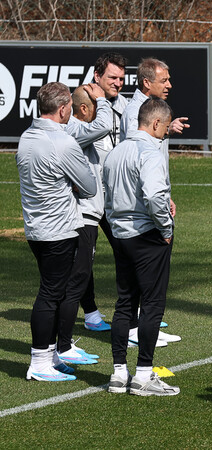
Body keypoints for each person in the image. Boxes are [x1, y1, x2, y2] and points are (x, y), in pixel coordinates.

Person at [16, 82, 97, 382]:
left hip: (36, 228)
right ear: (63, 109)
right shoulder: (62, 143)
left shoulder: (26, 137)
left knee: (55, 291)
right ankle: (38, 362)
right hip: (58, 230)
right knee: (50, 295)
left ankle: (49, 356)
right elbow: (89, 186)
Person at [103, 96, 179, 396]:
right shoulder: (150, 152)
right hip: (147, 236)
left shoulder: (116, 151)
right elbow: (153, 196)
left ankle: (119, 373)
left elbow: (106, 195)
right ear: (156, 122)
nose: (167, 134)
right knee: (151, 304)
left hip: (120, 235)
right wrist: (166, 228)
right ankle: (143, 375)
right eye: (166, 128)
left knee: (125, 303)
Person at [119, 58, 188, 345]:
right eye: (164, 80)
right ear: (147, 82)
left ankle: (145, 324)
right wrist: (160, 203)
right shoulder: (135, 112)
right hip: (142, 207)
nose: (169, 85)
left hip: (153, 195)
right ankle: (140, 329)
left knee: (147, 276)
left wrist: (168, 130)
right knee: (146, 276)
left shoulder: (153, 113)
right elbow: (134, 155)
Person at [53, 84, 113, 365]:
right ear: (84, 109)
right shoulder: (75, 128)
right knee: (74, 282)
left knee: (76, 279)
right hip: (81, 218)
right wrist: (103, 101)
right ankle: (62, 347)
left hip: (88, 215)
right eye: (96, 105)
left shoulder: (76, 131)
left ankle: (63, 343)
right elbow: (104, 125)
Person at [80, 52, 130, 333]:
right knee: (84, 260)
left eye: (122, 78)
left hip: (117, 195)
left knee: (128, 251)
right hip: (87, 195)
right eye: (112, 77)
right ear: (97, 76)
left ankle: (133, 313)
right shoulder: (81, 102)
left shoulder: (125, 105)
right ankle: (91, 313)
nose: (118, 83)